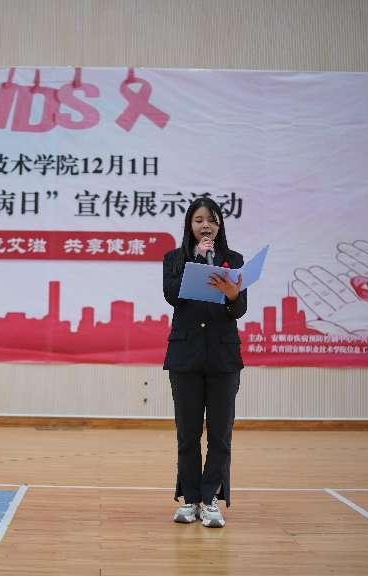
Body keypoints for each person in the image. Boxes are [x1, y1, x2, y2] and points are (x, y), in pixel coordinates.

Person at [162, 196, 246, 528]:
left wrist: (233, 295)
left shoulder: (233, 260)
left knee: (220, 435)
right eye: (199, 220)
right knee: (188, 434)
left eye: (211, 220)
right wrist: (195, 261)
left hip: (223, 357)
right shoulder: (175, 258)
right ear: (189, 225)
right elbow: (172, 295)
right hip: (185, 357)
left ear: (220, 225)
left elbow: (239, 310)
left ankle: (210, 499)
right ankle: (190, 499)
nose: (205, 226)